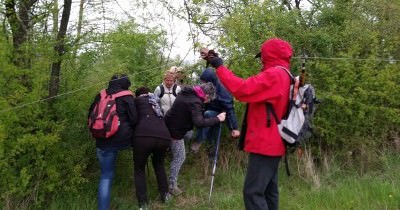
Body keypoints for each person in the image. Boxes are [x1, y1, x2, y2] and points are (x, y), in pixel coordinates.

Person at [208, 38, 292, 210]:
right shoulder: (285, 73)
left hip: (265, 143)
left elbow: (242, 90)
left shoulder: (274, 75)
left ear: (270, 55)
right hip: (275, 141)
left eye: (263, 56)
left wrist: (220, 67)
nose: (261, 60)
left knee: (252, 193)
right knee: (269, 191)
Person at [164, 82, 226, 195]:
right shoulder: (195, 102)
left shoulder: (187, 92)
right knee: (180, 157)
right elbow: (199, 122)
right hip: (174, 131)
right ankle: (171, 186)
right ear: (206, 96)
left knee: (189, 134)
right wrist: (217, 119)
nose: (207, 102)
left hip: (168, 124)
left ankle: (169, 153)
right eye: (209, 100)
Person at [88, 74, 137, 210]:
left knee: (105, 176)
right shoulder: (127, 96)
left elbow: (90, 115)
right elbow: (134, 119)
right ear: (125, 84)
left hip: (101, 140)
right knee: (136, 160)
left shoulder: (101, 95)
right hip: (122, 141)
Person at [190, 50, 241, 153]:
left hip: (220, 113)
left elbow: (230, 109)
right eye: (202, 81)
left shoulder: (222, 90)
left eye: (204, 81)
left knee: (208, 114)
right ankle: (209, 153)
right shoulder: (205, 87)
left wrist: (234, 128)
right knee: (210, 130)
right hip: (209, 112)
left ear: (210, 80)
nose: (202, 83)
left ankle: (198, 142)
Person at [133, 87, 172, 209]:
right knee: (159, 164)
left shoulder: (136, 101)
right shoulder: (155, 101)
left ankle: (143, 204)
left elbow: (133, 119)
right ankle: (165, 196)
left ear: (138, 95)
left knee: (139, 169)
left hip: (143, 136)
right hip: (164, 135)